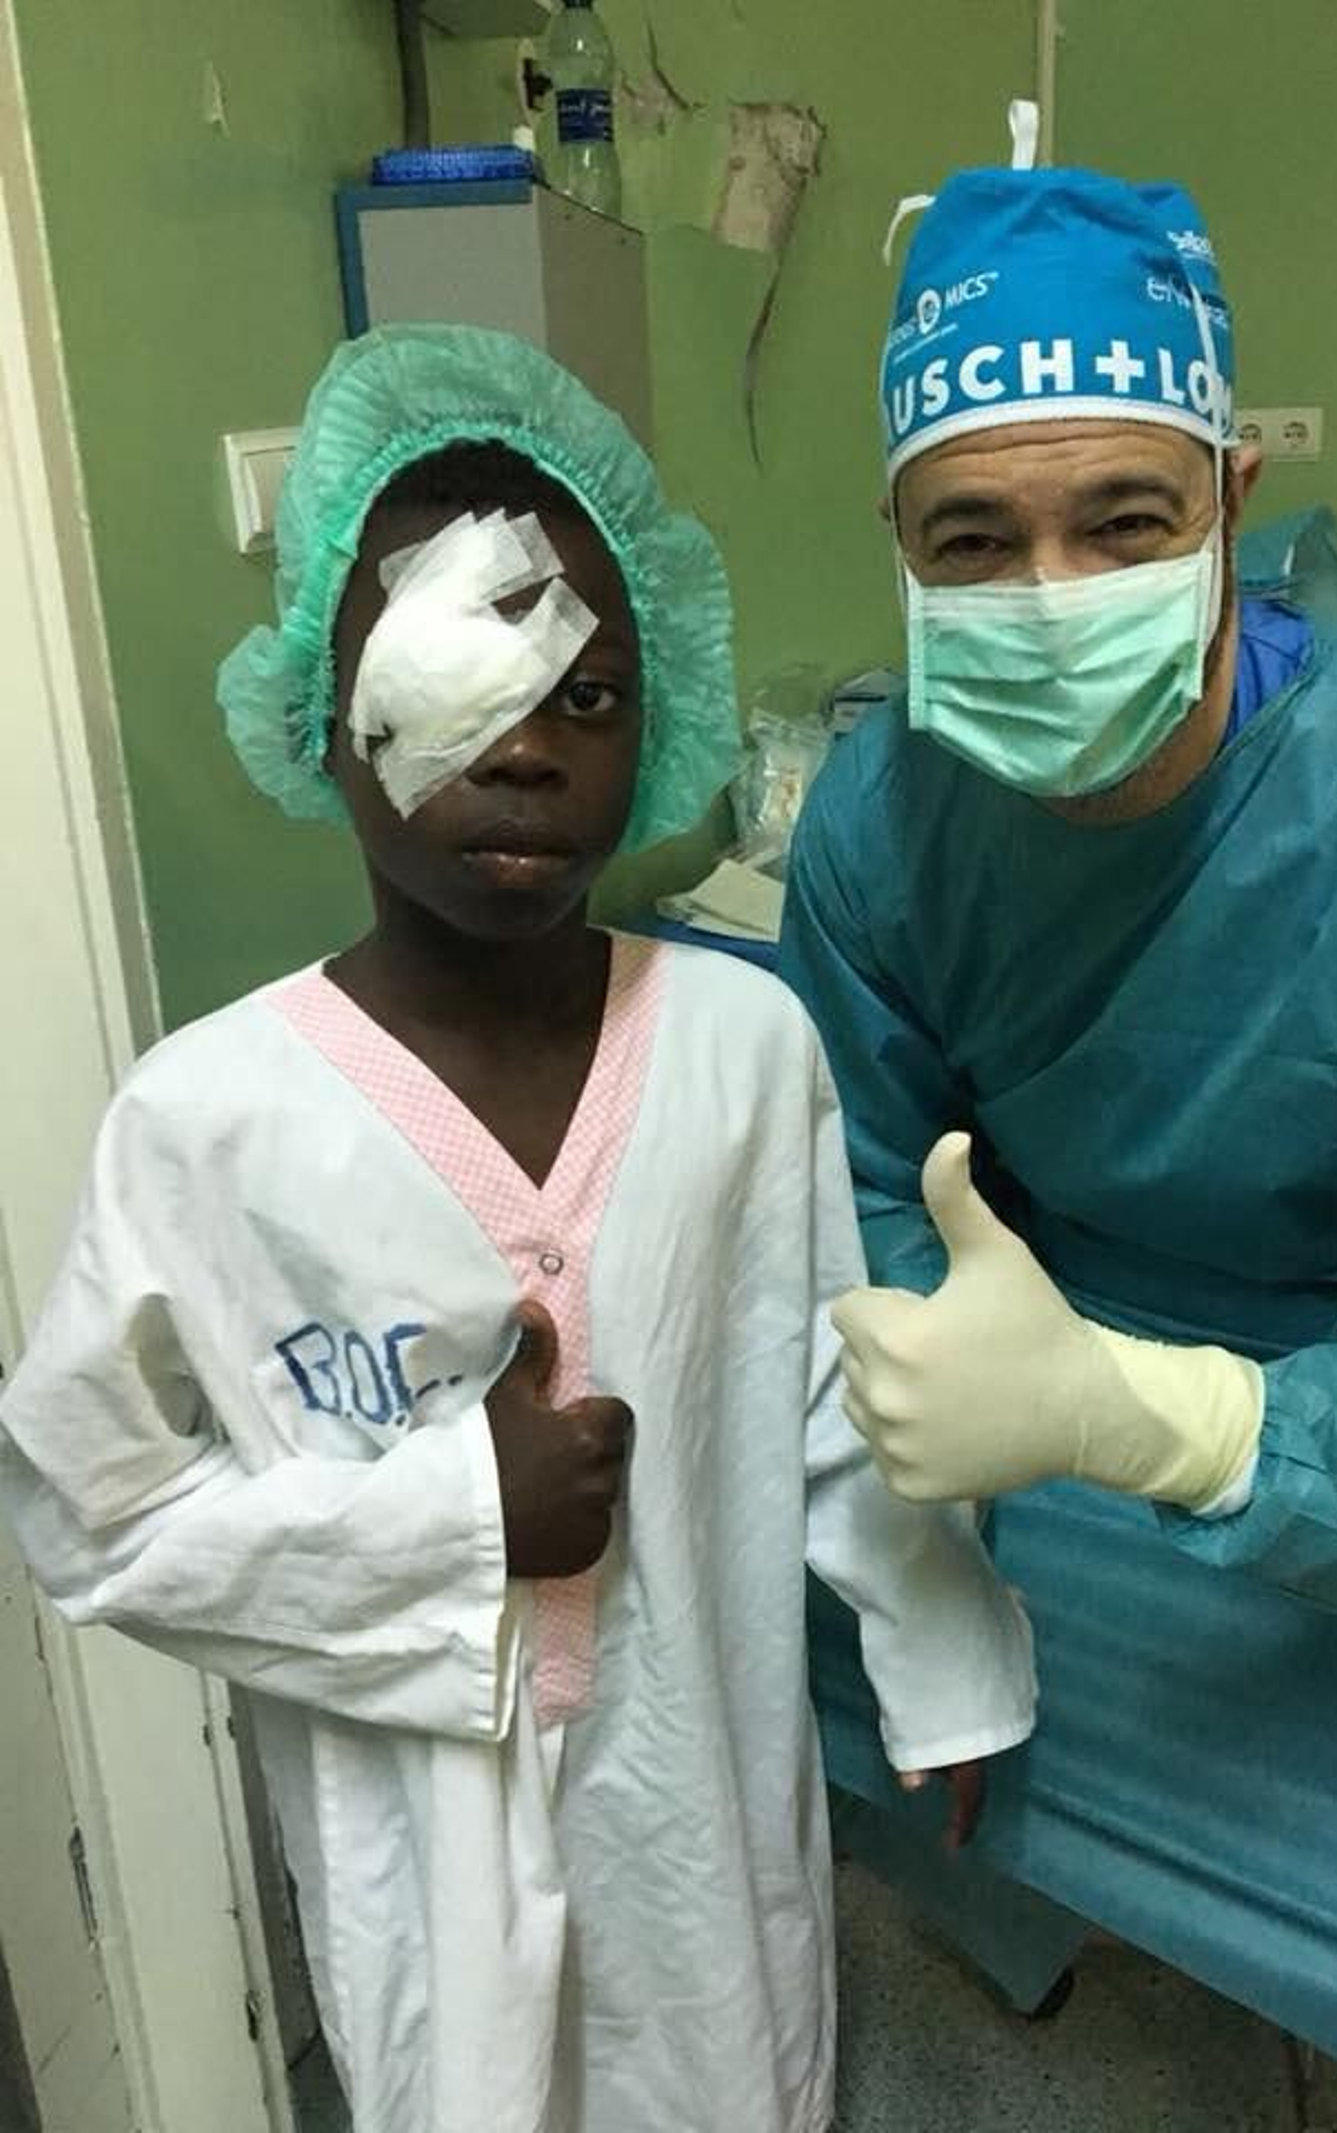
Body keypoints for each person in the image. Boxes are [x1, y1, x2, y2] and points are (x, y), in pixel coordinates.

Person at [0, 324, 1036, 2133]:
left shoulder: (741, 1050)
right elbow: (92, 1516)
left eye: (588, 693)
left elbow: (825, 1394)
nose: (530, 752)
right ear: (324, 715)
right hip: (425, 1886)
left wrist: (938, 1659)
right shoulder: (208, 1127)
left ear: (666, 719)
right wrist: (456, 1515)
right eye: (452, 685)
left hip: (710, 1843)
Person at [781, 108, 1337, 2133]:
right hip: (1032, 1455)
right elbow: (872, 1198)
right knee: (768, 1635)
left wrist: (1179, 1420)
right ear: (897, 543)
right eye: (973, 539)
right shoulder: (881, 827)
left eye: (1124, 523)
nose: (1048, 593)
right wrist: (953, 1478)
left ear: (1232, 495)